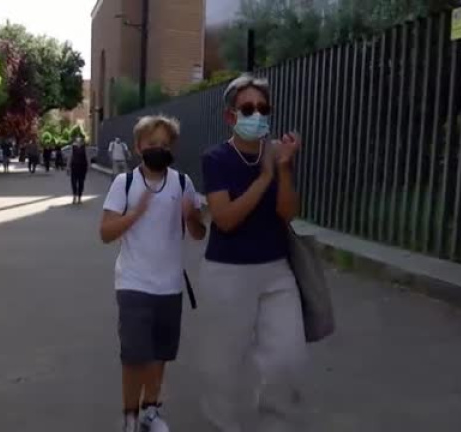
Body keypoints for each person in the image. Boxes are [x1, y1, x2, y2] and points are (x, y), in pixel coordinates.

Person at [200, 75, 305, 432]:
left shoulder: (276, 155)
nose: (257, 115)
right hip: (227, 272)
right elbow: (225, 220)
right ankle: (223, 424)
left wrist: (284, 169)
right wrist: (263, 178)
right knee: (224, 363)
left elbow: (287, 213)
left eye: (263, 108)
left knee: (287, 357)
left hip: (276, 268)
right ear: (230, 116)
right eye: (248, 109)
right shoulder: (216, 158)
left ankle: (276, 424)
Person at [100, 115, 206, 432]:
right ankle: (130, 416)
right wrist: (135, 214)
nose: (159, 149)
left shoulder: (183, 183)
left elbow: (198, 233)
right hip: (133, 283)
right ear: (138, 148)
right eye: (152, 144)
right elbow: (106, 232)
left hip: (170, 286)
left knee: (159, 355)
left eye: (164, 144)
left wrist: (191, 216)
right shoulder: (124, 183)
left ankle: (151, 411)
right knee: (134, 356)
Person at [67, 138, 89, 205]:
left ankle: (79, 197)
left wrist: (88, 166)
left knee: (81, 183)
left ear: (82, 142)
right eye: (77, 141)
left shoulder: (84, 148)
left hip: (82, 167)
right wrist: (68, 166)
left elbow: (87, 157)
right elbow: (70, 156)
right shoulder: (73, 147)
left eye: (79, 141)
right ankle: (74, 196)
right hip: (74, 167)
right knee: (73, 182)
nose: (78, 142)